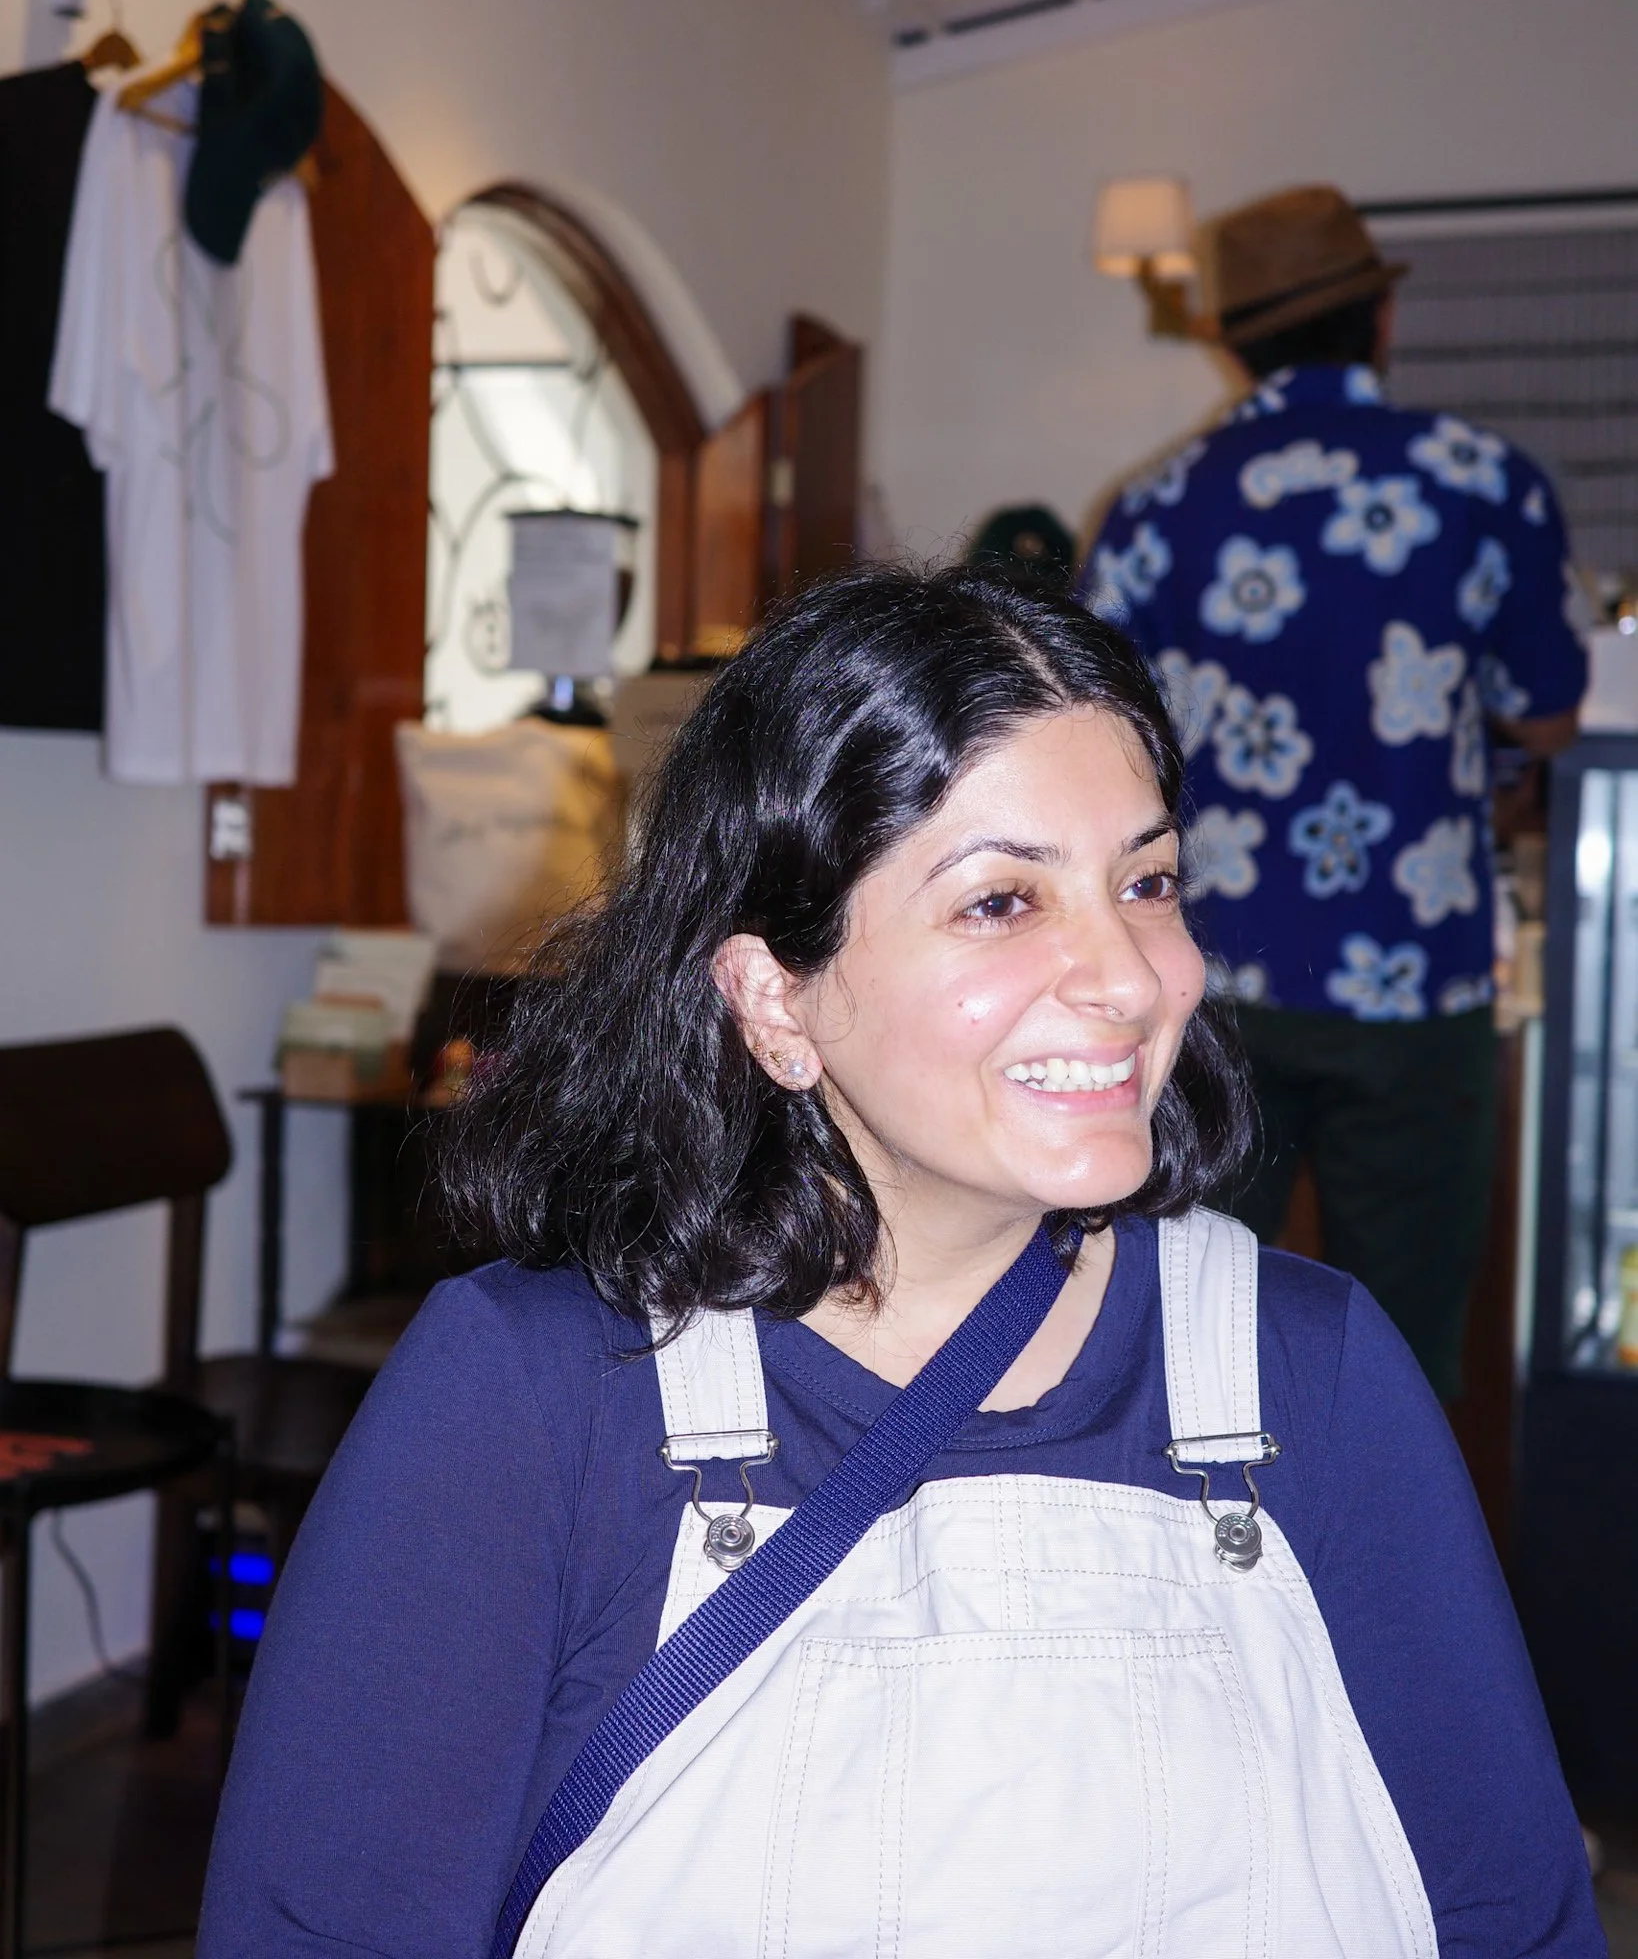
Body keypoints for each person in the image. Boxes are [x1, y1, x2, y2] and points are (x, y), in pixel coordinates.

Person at [198, 565, 1601, 1957]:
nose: (1127, 975)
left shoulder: (1309, 1372)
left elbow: (1507, 1919)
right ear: (774, 997)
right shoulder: (533, 1401)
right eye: (1002, 901)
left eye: (1147, 880)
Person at [1080, 184, 1587, 1400]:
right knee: (1400, 1344)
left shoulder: (1152, 509)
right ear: (1380, 321)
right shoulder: (1483, 483)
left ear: (1230, 339)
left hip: (1211, 973)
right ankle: (1378, 1575)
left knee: (1189, 1319)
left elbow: (1098, 746)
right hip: (1418, 974)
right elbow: (1551, 706)